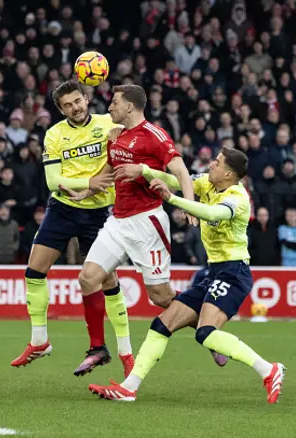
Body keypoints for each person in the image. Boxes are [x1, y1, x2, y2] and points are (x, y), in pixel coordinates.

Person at [88, 148, 285, 403]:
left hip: (233, 273)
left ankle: (269, 370)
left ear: (228, 173)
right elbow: (176, 179)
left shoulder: (238, 197)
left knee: (205, 333)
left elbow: (213, 214)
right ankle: (129, 388)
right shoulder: (207, 183)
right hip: (213, 272)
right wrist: (145, 171)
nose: (211, 164)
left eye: (217, 162)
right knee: (161, 325)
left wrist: (172, 199)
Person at [64, 84, 197, 376]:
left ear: (131, 107)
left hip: (147, 223)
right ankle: (98, 348)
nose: (109, 107)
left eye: (114, 102)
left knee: (161, 298)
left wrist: (188, 205)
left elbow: (182, 172)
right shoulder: (116, 136)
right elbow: (108, 175)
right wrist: (83, 192)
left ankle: (206, 327)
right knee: (88, 278)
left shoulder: (155, 136)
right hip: (118, 221)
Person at [11, 81, 132, 377]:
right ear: (61, 109)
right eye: (68, 105)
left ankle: (126, 352)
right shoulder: (54, 135)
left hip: (100, 213)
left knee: (108, 280)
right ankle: (39, 341)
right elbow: (54, 181)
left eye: (78, 101)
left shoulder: (108, 123)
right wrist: (88, 182)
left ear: (87, 98)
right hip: (63, 209)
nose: (75, 107)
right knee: (34, 271)